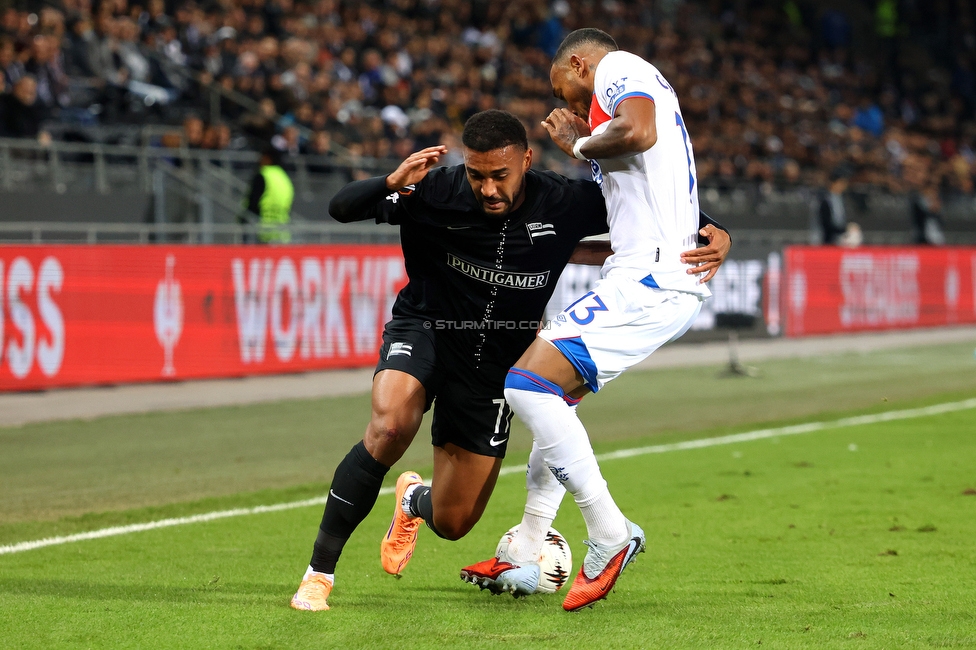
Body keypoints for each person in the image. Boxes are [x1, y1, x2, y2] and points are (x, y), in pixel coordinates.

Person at [289, 109, 731, 611]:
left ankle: (412, 499)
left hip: (496, 363)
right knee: (390, 427)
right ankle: (317, 576)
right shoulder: (436, 190)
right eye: (477, 175)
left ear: (526, 159)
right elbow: (340, 208)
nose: (488, 188)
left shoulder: (564, 200)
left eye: (500, 175)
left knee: (454, 522)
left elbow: (652, 207)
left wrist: (716, 228)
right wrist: (390, 182)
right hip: (429, 328)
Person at [460, 28, 719, 612]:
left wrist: (578, 143)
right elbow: (639, 200)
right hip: (646, 274)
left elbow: (638, 130)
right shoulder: (615, 117)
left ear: (580, 63)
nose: (573, 106)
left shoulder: (620, 69)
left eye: (565, 89)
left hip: (650, 280)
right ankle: (527, 545)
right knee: (553, 396)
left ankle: (608, 531)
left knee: (525, 384)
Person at [240, 142, 294, 243]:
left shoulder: (263, 174)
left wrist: (242, 219)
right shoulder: (284, 178)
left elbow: (253, 202)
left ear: (267, 158)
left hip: (261, 233)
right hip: (282, 233)